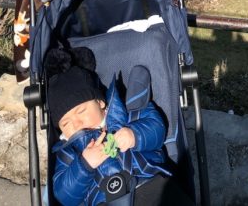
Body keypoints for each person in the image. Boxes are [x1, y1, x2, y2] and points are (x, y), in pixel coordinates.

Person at [46, 48, 194, 206]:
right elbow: (64, 196)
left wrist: (134, 135)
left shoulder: (126, 111)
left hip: (148, 183)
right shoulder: (68, 151)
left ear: (100, 102)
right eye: (65, 123)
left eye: (81, 111)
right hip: (103, 200)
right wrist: (84, 165)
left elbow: (157, 128)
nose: (76, 124)